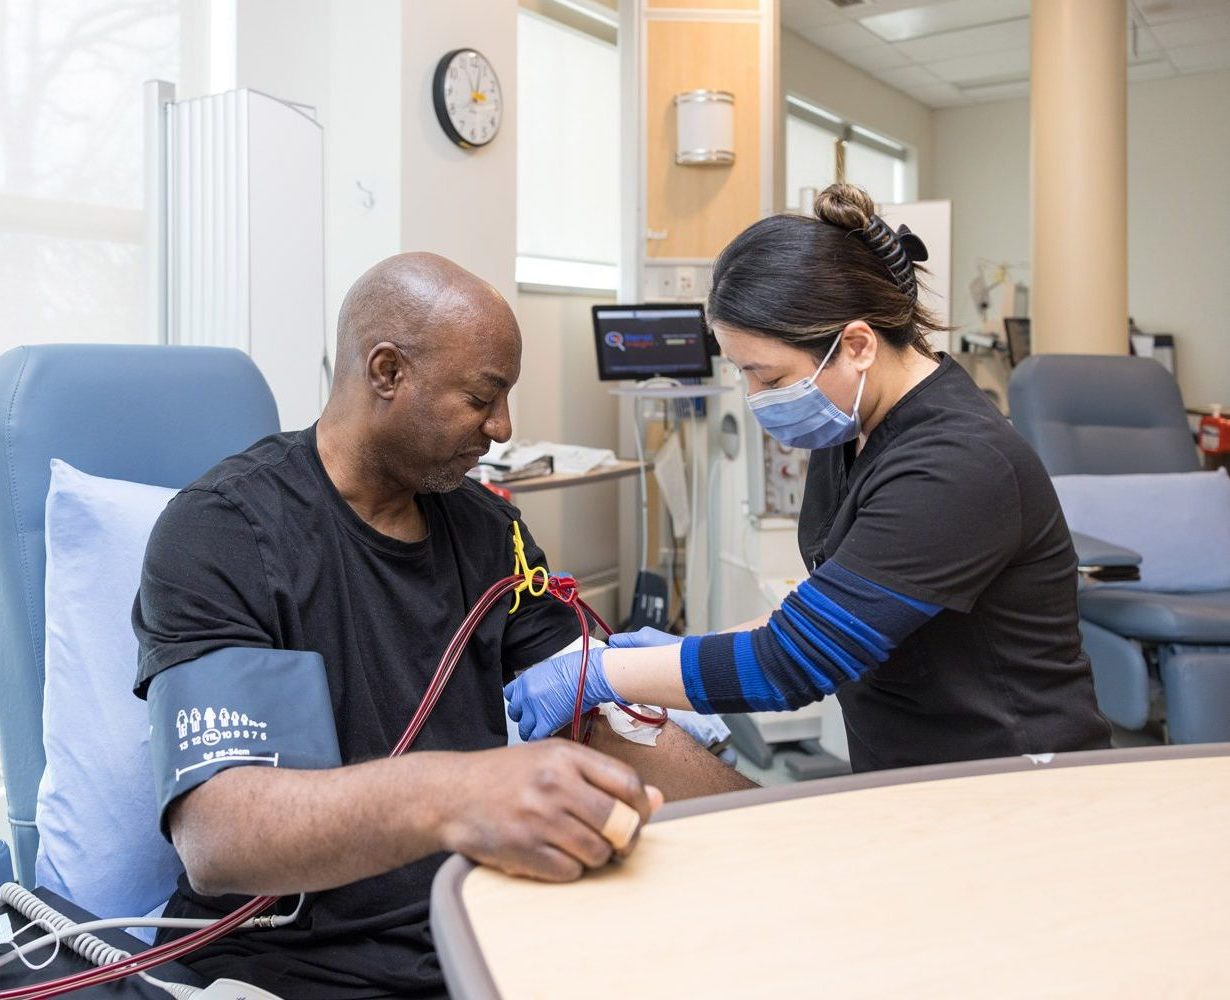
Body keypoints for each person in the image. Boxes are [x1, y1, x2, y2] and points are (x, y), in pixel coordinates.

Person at [132, 252, 750, 999]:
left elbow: (606, 721)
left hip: (484, 930)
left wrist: (764, 824)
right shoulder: (226, 533)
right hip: (294, 963)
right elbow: (221, 836)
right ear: (386, 372)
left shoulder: (492, 534)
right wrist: (461, 793)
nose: (502, 427)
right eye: (481, 398)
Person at [506, 183, 1112, 771]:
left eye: (768, 378)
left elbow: (793, 661)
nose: (754, 397)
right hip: (913, 771)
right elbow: (823, 614)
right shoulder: (850, 430)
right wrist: (677, 655)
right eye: (743, 373)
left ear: (856, 345)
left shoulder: (958, 463)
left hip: (1012, 775)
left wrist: (601, 673)